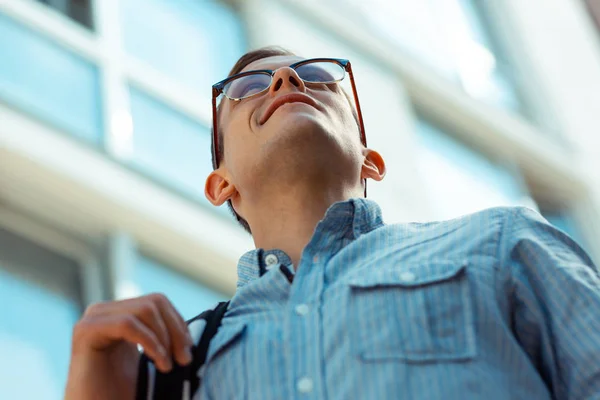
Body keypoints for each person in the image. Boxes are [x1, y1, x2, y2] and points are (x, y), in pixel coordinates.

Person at [64, 46, 600, 400]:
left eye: (317, 75)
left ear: (370, 159)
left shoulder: (504, 245)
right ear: (220, 184)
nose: (284, 77)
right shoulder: (173, 366)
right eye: (247, 87)